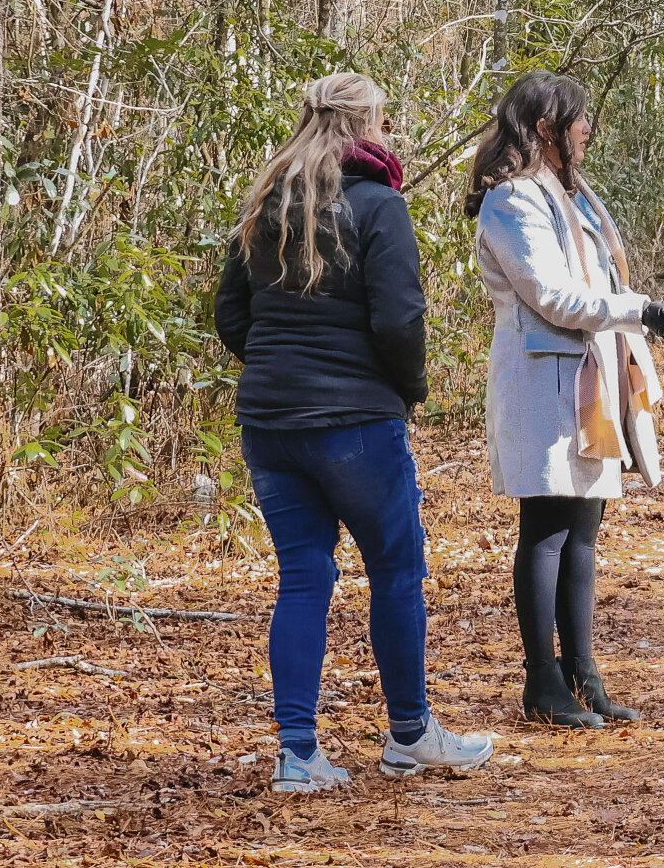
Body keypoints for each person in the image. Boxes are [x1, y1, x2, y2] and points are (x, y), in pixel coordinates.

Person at [215, 72, 494, 793]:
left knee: (303, 579)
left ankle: (298, 756)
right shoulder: (377, 205)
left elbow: (230, 317)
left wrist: (281, 369)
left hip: (271, 422)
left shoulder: (264, 203)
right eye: (383, 119)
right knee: (397, 572)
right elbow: (399, 318)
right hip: (357, 424)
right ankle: (409, 735)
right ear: (366, 124)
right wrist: (408, 391)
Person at [467, 71, 664, 728]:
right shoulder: (513, 201)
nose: (588, 129)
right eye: (578, 120)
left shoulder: (575, 196)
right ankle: (542, 682)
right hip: (544, 383)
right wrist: (641, 311)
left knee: (584, 535)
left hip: (588, 379)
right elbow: (553, 297)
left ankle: (583, 676)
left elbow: (592, 280)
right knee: (545, 531)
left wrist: (635, 319)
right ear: (545, 130)